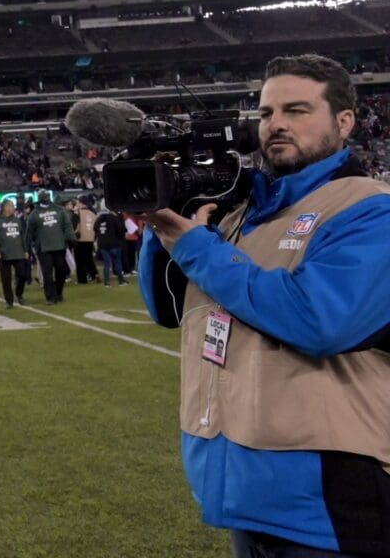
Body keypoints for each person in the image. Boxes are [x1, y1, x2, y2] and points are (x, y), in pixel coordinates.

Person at [139, 54, 390, 557]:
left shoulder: (371, 208)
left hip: (330, 508)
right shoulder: (240, 213)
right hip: (245, 496)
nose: (276, 125)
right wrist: (165, 221)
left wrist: (197, 247)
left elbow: (317, 319)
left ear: (344, 122)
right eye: (266, 112)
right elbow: (169, 309)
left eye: (296, 111)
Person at [27, 190, 75, 304]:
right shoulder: (34, 213)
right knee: (47, 273)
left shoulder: (59, 210)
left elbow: (67, 225)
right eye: (44, 196)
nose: (46, 198)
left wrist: (71, 238)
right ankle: (50, 297)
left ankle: (58, 292)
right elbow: (29, 232)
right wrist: (29, 246)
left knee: (62, 270)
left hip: (59, 245)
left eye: (47, 196)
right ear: (40, 198)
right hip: (43, 248)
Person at [0, 199, 27, 308]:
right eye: (11, 206)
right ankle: (9, 300)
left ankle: (19, 293)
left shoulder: (17, 220)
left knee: (22, 275)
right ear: (5, 208)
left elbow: (22, 236)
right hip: (4, 254)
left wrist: (25, 250)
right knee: (6, 279)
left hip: (18, 253)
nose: (13, 208)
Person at [93, 208, 128, 288]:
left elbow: (95, 229)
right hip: (114, 243)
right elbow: (121, 229)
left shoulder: (99, 219)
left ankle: (107, 282)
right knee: (117, 262)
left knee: (107, 263)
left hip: (102, 244)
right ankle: (121, 281)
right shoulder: (113, 218)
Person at [73, 195, 99, 283]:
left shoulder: (78, 213)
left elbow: (75, 225)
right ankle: (95, 274)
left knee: (79, 261)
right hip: (90, 239)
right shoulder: (93, 213)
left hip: (80, 239)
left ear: (81, 203)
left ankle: (82, 279)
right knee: (89, 259)